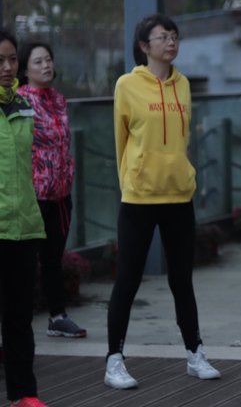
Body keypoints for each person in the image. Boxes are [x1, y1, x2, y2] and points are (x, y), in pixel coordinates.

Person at [104, 14, 220, 389]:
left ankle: (195, 354)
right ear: (144, 46)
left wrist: (185, 175)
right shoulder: (126, 85)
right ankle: (114, 361)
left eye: (174, 36)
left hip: (178, 196)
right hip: (139, 199)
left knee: (182, 280)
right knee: (127, 281)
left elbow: (183, 141)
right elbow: (121, 141)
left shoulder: (183, 85)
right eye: (162, 37)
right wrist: (131, 180)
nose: (171, 42)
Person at [16, 42, 86, 339]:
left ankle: (57, 318)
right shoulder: (19, 101)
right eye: (38, 61)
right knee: (23, 263)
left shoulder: (58, 99)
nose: (46, 65)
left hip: (60, 195)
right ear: (24, 69)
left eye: (48, 60)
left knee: (53, 259)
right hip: (33, 196)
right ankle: (17, 324)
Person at [0, 29, 50, 407]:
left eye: (12, 59)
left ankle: (24, 394)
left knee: (19, 318)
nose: (7, 67)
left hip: (24, 227)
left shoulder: (24, 105)